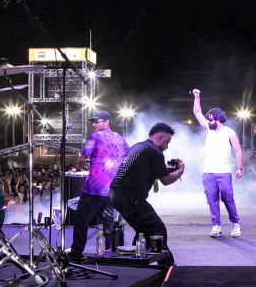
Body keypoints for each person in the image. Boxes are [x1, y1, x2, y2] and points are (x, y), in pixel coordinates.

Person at [108, 122, 185, 266]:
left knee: (142, 230)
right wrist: (181, 171)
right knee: (158, 230)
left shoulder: (140, 146)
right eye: (166, 142)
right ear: (159, 137)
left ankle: (137, 266)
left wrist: (172, 169)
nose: (167, 147)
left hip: (117, 195)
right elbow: (166, 180)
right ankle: (168, 269)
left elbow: (154, 170)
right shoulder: (154, 152)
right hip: (130, 197)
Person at [66, 110, 129, 259]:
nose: (94, 124)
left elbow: (83, 157)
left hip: (94, 188)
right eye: (93, 122)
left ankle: (76, 253)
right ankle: (108, 252)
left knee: (82, 220)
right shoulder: (120, 139)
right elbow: (128, 156)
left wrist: (79, 167)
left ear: (107, 122)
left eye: (97, 121)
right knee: (109, 222)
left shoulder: (96, 136)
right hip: (112, 190)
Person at [191, 89, 243, 238]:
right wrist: (197, 96)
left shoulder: (229, 132)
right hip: (208, 172)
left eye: (212, 119)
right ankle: (216, 226)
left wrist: (240, 168)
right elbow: (197, 113)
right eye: (208, 119)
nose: (209, 121)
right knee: (212, 200)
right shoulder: (208, 129)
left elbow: (238, 150)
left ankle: (235, 224)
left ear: (219, 119)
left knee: (227, 199)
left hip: (223, 172)